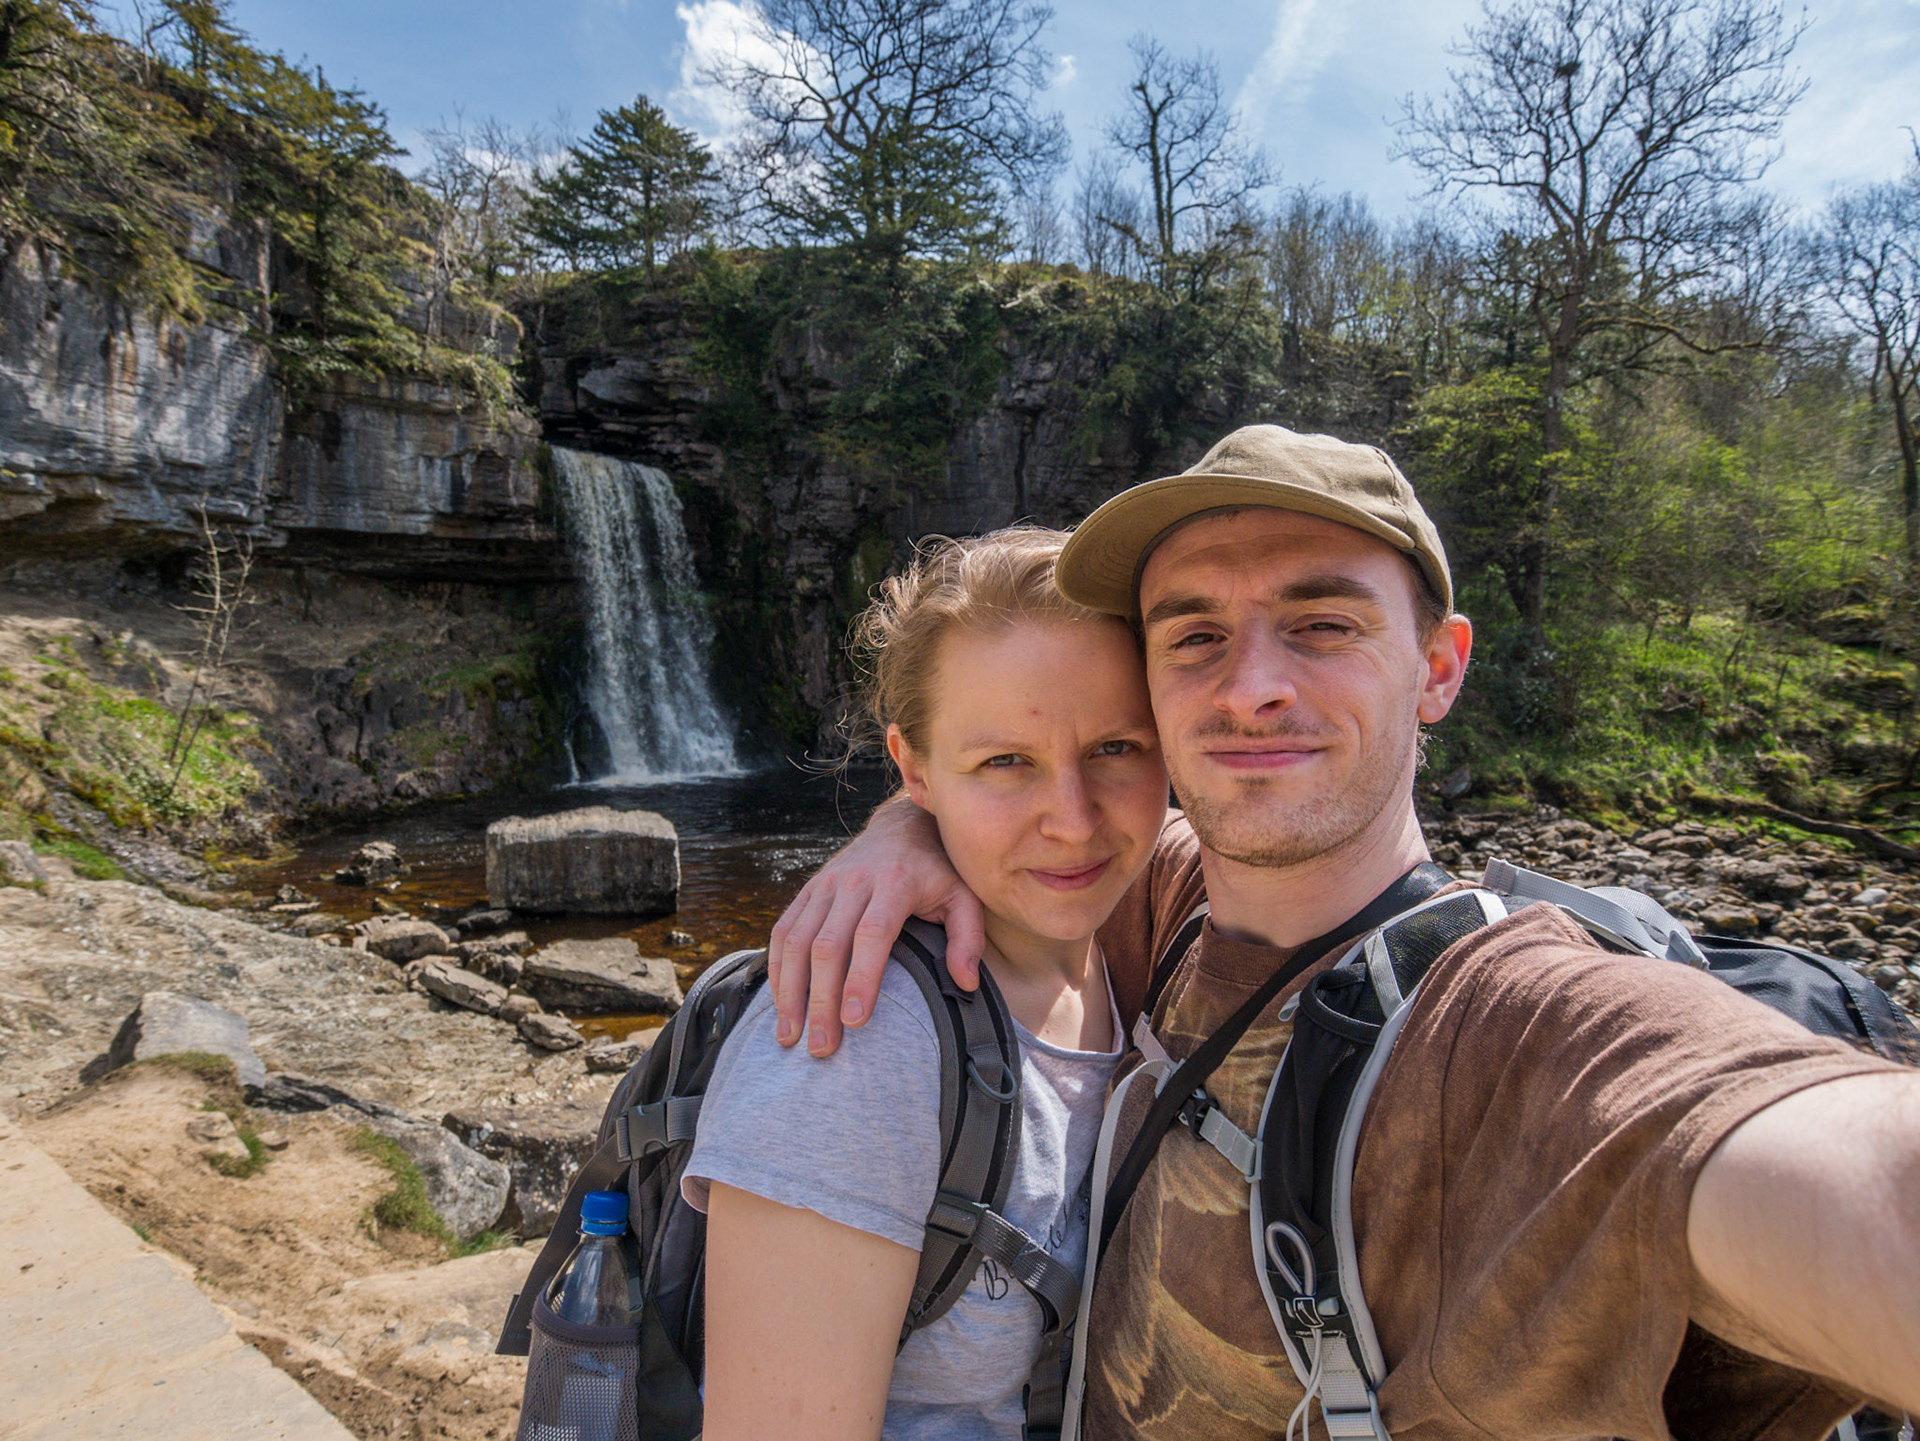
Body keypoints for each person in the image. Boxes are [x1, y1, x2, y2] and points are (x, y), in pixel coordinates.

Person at [764, 424, 1920, 1439]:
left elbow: (1829, 1166)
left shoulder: (1513, 1032)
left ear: (1439, 667)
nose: (1251, 686)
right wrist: (912, 824)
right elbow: (1012, 796)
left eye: (1321, 622)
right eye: (1195, 636)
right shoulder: (1156, 897)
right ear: (1154, 696)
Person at [684, 527, 1171, 1441]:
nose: (1072, 821)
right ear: (913, 769)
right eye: (1005, 762)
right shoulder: (851, 1045)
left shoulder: (1142, 934)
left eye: (1115, 746)